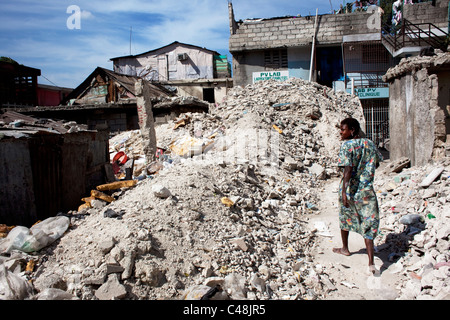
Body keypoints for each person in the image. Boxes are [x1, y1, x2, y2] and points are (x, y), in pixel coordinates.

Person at [333, 118, 383, 275]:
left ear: (352, 130)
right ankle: (371, 263)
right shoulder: (369, 143)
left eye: (343, 129)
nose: (340, 132)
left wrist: (344, 192)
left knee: (345, 217)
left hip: (352, 190)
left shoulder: (347, 146)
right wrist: (365, 171)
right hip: (367, 191)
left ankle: (345, 248)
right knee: (368, 223)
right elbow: (377, 163)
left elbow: (347, 169)